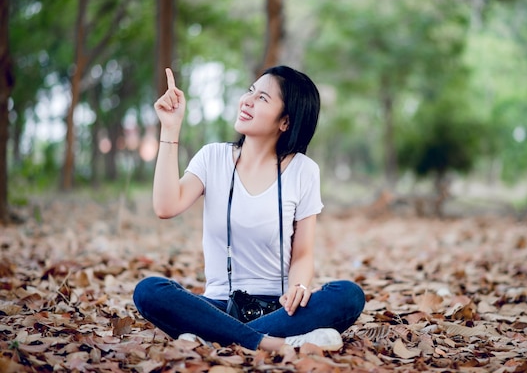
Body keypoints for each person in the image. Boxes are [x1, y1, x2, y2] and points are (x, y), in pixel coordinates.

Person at [133, 66, 365, 351]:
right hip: (219, 305)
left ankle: (215, 337)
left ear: (285, 121)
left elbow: (303, 253)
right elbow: (165, 206)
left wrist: (300, 287)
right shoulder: (212, 157)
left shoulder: (304, 170)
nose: (247, 100)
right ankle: (275, 342)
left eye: (263, 98)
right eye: (250, 91)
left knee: (348, 295)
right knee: (149, 291)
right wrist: (170, 128)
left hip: (281, 309)